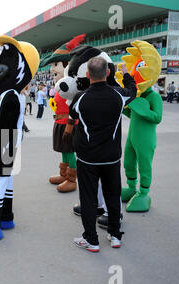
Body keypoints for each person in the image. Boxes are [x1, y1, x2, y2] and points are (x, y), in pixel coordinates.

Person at [69, 57, 136, 252]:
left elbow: (73, 116)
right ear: (108, 73)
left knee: (88, 198)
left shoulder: (80, 98)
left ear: (88, 75)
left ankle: (91, 239)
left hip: (87, 157)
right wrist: (125, 74)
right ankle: (115, 235)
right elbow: (132, 91)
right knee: (113, 196)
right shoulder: (119, 95)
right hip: (111, 157)